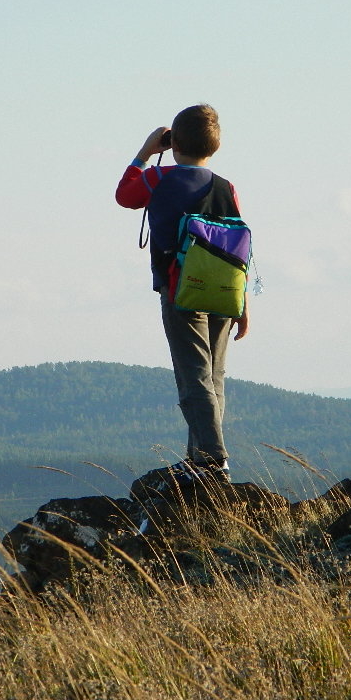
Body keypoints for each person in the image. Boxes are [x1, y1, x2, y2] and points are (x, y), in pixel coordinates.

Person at [115, 104, 249, 483]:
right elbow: (235, 244)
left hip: (181, 288)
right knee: (214, 376)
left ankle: (210, 461)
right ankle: (200, 458)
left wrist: (144, 153)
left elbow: (125, 196)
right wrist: (243, 305)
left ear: (173, 142)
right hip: (224, 290)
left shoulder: (159, 178)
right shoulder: (227, 187)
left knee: (194, 377)